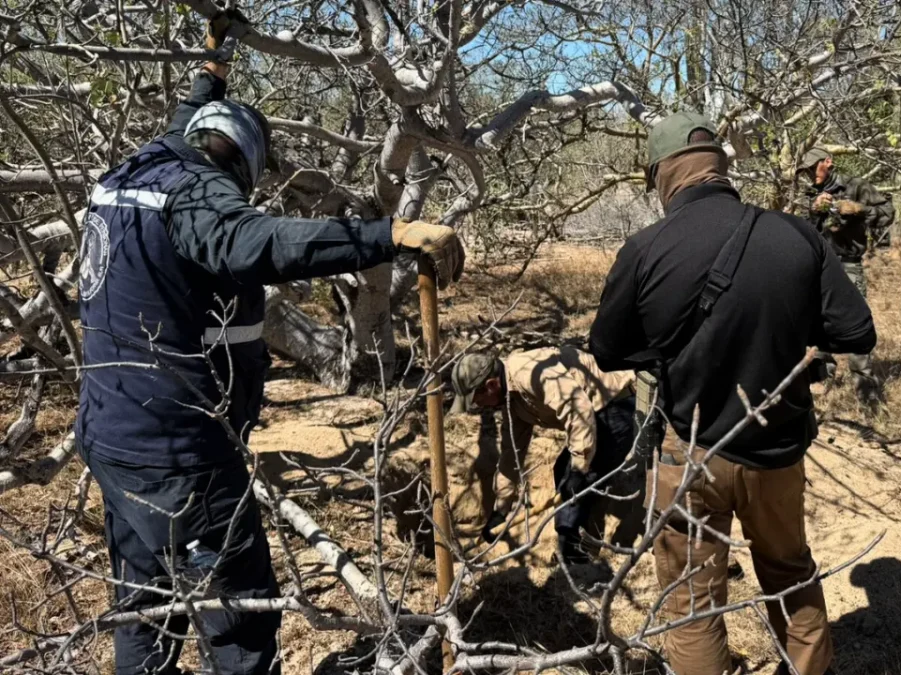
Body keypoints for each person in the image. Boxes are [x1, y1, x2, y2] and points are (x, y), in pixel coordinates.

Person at [76, 13, 464, 675]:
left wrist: (215, 57)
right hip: (183, 458)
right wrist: (388, 236)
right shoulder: (199, 200)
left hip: (111, 438)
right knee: (242, 617)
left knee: (144, 609)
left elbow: (188, 118)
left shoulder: (139, 171)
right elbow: (261, 244)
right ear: (240, 168)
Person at [588, 112, 877, 675]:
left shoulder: (645, 248)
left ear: (665, 174)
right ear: (720, 167)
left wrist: (665, 352)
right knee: (790, 572)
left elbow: (606, 350)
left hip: (688, 450)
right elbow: (856, 332)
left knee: (693, 602)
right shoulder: (796, 234)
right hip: (777, 448)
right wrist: (789, 331)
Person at [448, 346, 635, 567]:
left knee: (578, 477)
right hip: (593, 413)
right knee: (568, 474)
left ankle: (575, 559)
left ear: (491, 385)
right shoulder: (510, 399)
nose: (478, 407)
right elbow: (512, 452)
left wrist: (577, 470)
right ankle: (580, 551)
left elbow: (579, 412)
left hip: (615, 404)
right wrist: (501, 509)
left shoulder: (529, 373)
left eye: (476, 400)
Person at [799, 147, 892, 406]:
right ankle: (821, 378)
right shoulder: (808, 193)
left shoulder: (857, 186)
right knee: (817, 321)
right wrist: (814, 211)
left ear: (827, 162)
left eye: (811, 167)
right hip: (817, 267)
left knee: (855, 323)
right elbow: (800, 229)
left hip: (849, 265)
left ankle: (867, 391)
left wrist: (858, 209)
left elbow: (888, 213)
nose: (808, 173)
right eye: (804, 169)